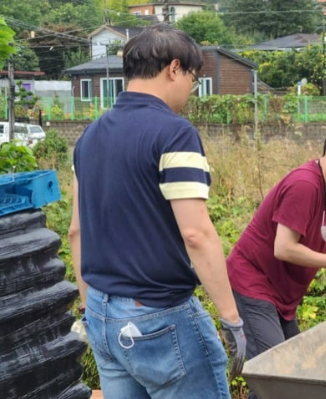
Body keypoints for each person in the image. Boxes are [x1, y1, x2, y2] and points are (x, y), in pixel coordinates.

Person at [68, 24, 246, 399]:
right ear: (174, 69)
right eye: (193, 79)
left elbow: (76, 232)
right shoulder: (174, 133)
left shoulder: (89, 136)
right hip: (157, 316)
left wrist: (88, 307)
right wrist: (232, 319)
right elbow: (196, 234)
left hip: (101, 312)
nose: (191, 90)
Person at [226, 116, 326, 399]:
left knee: (294, 374)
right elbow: (283, 248)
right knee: (277, 376)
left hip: (281, 293)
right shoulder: (305, 185)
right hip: (253, 284)